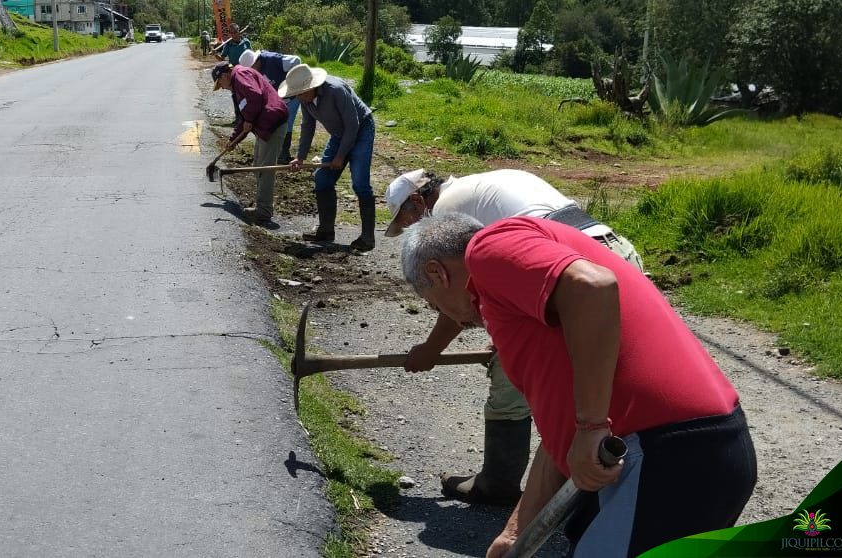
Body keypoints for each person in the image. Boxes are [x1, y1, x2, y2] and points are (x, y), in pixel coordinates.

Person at [400, 213, 756, 558]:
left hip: (667, 456)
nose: (454, 320)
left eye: (434, 306)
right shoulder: (524, 305)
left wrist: (592, 425)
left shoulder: (489, 249)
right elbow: (561, 439)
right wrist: (516, 533)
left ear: (437, 272)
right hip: (699, 451)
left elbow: (593, 286)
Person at [384, 168, 645, 506]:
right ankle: (608, 479)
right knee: (606, 377)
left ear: (417, 202)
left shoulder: (447, 214)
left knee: (513, 378)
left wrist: (431, 349)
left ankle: (500, 480)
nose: (411, 230)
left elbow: (460, 288)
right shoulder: (478, 187)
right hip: (612, 252)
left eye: (407, 220)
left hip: (572, 274)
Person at [278, 64, 377, 251]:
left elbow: (353, 125)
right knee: (322, 178)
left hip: (361, 129)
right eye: (296, 94)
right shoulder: (305, 101)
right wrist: (300, 157)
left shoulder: (336, 91)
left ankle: (367, 238)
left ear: (311, 87)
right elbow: (308, 127)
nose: (298, 97)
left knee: (360, 183)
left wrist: (340, 156)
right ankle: (326, 230)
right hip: (339, 134)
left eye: (300, 93)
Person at [212, 61, 289, 226]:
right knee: (257, 166)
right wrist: (233, 140)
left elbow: (255, 97)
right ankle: (261, 205)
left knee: (265, 169)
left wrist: (249, 120)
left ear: (225, 75)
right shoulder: (236, 86)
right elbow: (244, 116)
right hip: (264, 127)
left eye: (221, 84)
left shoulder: (240, 75)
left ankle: (264, 212)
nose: (224, 88)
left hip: (273, 124)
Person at [239, 49, 302, 164]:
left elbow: (296, 60)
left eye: (252, 68)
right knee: (275, 122)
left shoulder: (272, 59)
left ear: (256, 61)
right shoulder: (255, 72)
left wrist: (290, 83)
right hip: (278, 99)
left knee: (287, 123)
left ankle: (284, 154)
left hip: (291, 96)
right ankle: (275, 150)